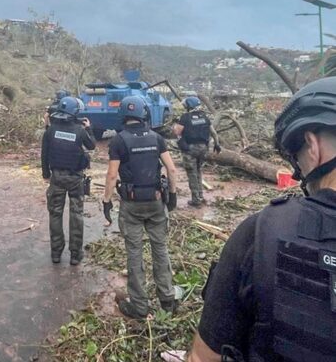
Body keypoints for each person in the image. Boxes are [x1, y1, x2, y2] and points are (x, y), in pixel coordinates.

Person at [187, 77, 336, 361]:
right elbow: (212, 139)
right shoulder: (204, 119)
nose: (298, 174)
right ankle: (196, 197)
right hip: (201, 152)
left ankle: (195, 196)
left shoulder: (262, 233)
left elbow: (202, 357)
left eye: (297, 159)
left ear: (312, 145)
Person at [102, 95, 179, 319]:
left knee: (134, 253)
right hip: (156, 202)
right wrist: (172, 195)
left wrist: (106, 201)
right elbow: (172, 170)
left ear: (123, 115)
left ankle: (139, 305)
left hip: (131, 205)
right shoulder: (156, 138)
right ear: (144, 113)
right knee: (160, 249)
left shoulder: (118, 141)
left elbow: (111, 175)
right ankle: (167, 300)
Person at [41, 96, 95, 265]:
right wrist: (89, 129)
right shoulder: (79, 130)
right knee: (76, 214)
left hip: (56, 177)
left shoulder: (50, 130)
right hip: (75, 178)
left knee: (55, 214)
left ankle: (56, 253)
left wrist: (45, 174)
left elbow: (44, 154)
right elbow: (92, 145)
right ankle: (75, 255)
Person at [173, 96, 221, 207]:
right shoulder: (204, 117)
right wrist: (217, 144)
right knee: (199, 171)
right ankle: (200, 195)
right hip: (203, 149)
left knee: (192, 173)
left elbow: (177, 132)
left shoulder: (185, 117)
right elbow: (213, 133)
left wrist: (175, 127)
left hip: (190, 149)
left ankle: (196, 200)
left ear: (188, 106)